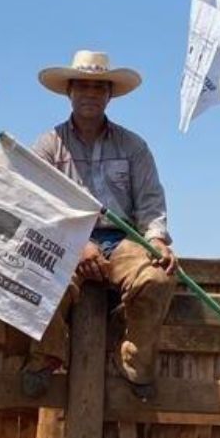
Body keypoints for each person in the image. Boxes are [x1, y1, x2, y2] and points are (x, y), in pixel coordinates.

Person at [23, 50, 176, 401]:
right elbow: (36, 205)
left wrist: (157, 241)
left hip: (124, 240)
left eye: (98, 87)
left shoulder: (134, 146)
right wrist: (77, 243)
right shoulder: (47, 146)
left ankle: (136, 354)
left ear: (109, 95)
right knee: (34, 272)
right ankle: (46, 351)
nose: (90, 94)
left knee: (158, 277)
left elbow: (151, 202)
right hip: (65, 239)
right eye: (82, 86)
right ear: (69, 92)